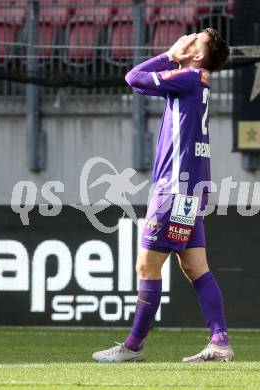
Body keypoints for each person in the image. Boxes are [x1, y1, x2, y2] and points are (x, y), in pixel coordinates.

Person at [92, 28, 232, 363]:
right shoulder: (195, 82)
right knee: (195, 266)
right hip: (191, 190)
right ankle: (219, 340)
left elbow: (134, 77)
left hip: (174, 189)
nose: (186, 39)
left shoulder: (186, 77)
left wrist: (170, 55)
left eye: (193, 39)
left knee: (146, 266)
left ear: (197, 55)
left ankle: (133, 346)